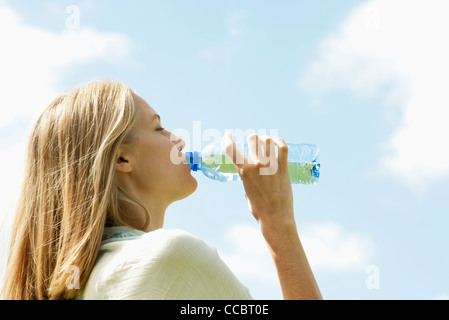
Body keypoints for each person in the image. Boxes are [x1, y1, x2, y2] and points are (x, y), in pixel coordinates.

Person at [1, 80, 322, 300]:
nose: (178, 139)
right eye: (158, 127)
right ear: (122, 158)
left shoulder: (79, 281)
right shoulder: (169, 257)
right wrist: (277, 221)